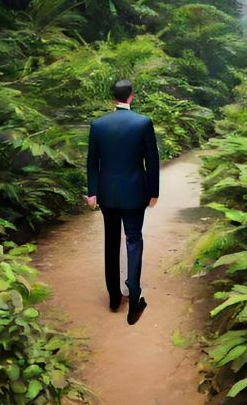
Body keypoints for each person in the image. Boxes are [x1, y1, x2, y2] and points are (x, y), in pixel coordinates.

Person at [85, 78, 160, 325]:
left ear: (113, 97)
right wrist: (154, 191)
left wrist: (93, 192)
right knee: (134, 240)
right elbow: (152, 160)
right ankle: (134, 295)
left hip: (107, 194)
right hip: (135, 193)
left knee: (111, 242)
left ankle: (114, 298)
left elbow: (92, 161)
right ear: (131, 96)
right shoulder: (143, 122)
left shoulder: (98, 124)